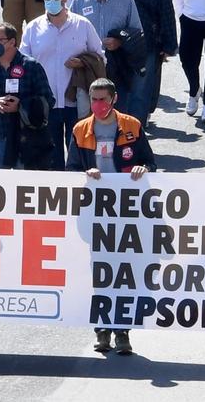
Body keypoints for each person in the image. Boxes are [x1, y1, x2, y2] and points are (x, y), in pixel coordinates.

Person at [70, 76, 152, 355]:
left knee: (125, 273)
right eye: (94, 99)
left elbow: (149, 161)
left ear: (114, 99)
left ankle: (123, 332)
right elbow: (70, 169)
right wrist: (85, 173)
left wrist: (143, 169)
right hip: (96, 213)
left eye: (103, 99)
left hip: (127, 212)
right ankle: (102, 330)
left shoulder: (132, 126)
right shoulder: (81, 130)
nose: (98, 104)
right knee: (101, 273)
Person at [22, 0, 104, 161]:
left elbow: (100, 57)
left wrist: (83, 62)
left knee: (80, 153)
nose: (52, 1)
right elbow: (24, 64)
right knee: (52, 156)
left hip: (76, 101)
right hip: (46, 103)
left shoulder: (82, 25)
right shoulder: (33, 28)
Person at [0, 22, 55, 168]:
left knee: (23, 185)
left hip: (27, 138)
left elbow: (48, 100)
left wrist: (21, 106)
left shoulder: (31, 66)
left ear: (12, 42)